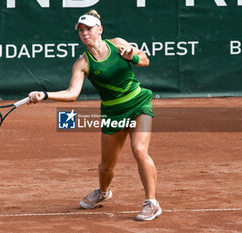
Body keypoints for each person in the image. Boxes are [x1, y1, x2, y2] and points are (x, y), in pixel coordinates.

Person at [28, 9, 162, 221]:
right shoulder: (82, 63)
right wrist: (44, 94)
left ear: (100, 29)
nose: (84, 33)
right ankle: (103, 191)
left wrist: (132, 56)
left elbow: (145, 60)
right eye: (80, 30)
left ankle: (151, 202)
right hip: (112, 112)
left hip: (138, 103)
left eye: (89, 29)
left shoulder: (117, 43)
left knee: (139, 150)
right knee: (107, 166)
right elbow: (72, 94)